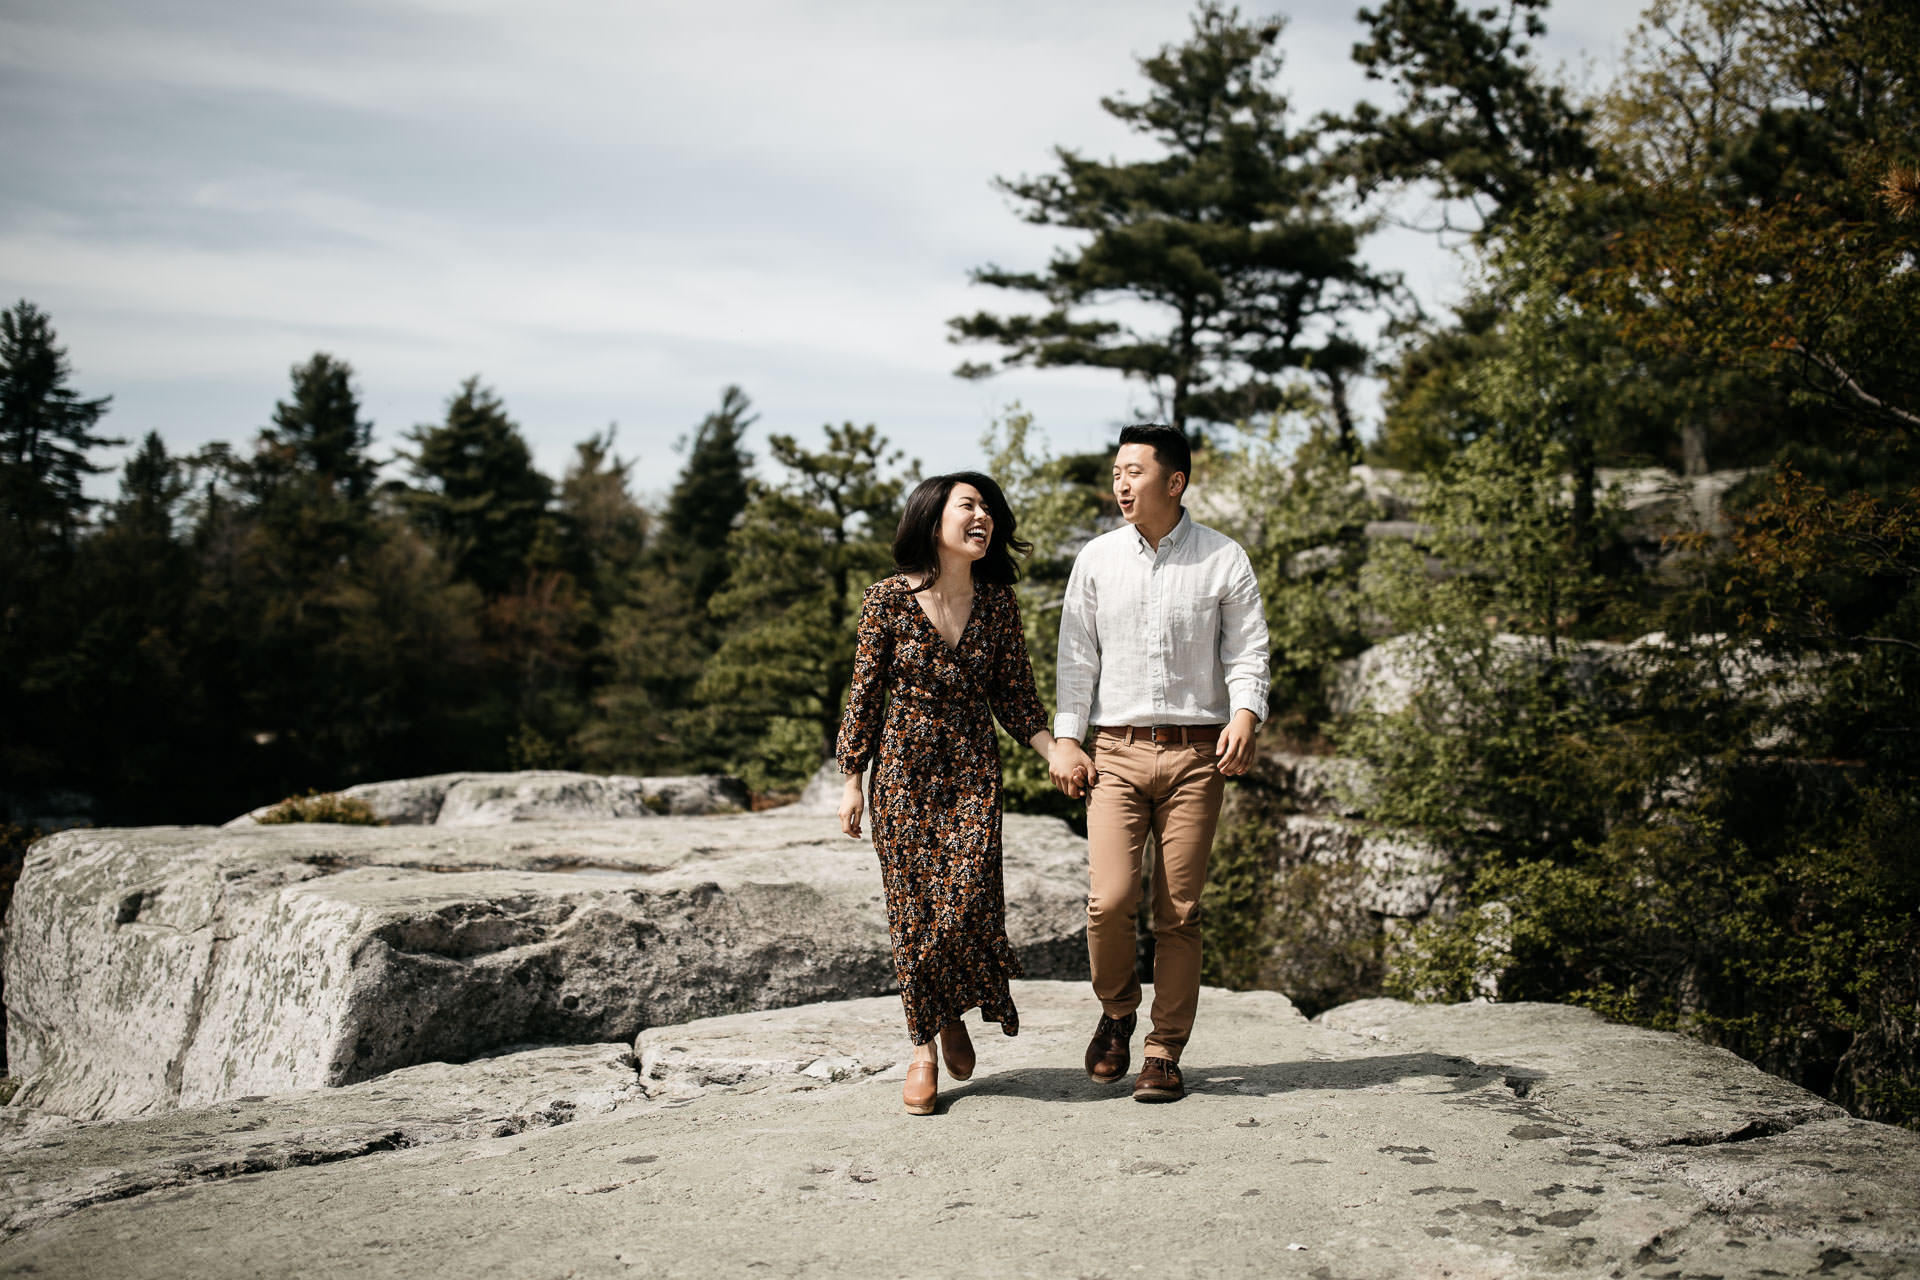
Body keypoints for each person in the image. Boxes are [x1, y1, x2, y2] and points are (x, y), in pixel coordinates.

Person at [1046, 424, 1270, 1103]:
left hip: (1197, 755)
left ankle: (1164, 1050)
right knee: (1109, 901)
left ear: (1174, 483)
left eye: (1134, 472)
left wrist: (1244, 714)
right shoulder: (1096, 558)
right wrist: (1067, 738)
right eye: (1116, 471)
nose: (1121, 484)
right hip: (1114, 753)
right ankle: (1117, 1012)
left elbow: (1248, 650)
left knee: (1178, 911)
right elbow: (1076, 658)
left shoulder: (1224, 557)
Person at [836, 471, 1058, 1116]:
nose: (982, 516)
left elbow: (1016, 696)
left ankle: (951, 1007)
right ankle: (924, 1047)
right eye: (969, 505)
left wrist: (1056, 753)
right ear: (933, 520)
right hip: (903, 775)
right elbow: (864, 692)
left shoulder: (998, 603)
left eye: (988, 508)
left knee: (965, 901)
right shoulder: (886, 600)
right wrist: (852, 780)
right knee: (913, 912)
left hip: (972, 772)